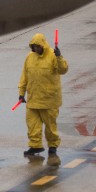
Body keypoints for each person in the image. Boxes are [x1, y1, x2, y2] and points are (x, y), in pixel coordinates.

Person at [18, 33, 68, 165]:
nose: (36, 49)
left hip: (49, 100)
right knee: (32, 124)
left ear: (42, 45)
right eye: (33, 47)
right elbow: (24, 76)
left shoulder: (53, 55)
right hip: (33, 98)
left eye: (37, 46)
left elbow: (63, 70)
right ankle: (35, 146)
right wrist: (21, 93)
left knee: (50, 126)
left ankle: (53, 146)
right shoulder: (29, 57)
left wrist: (59, 57)